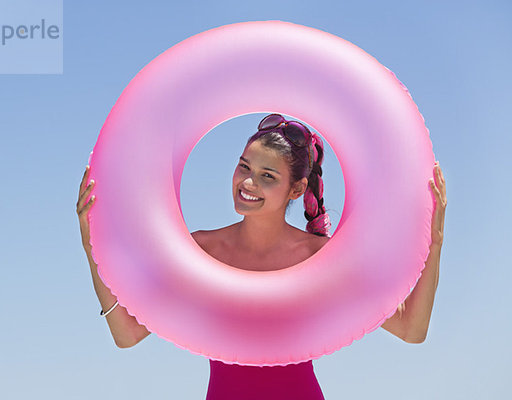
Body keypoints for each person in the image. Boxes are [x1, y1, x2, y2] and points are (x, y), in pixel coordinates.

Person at [76, 114, 447, 399]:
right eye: (244, 167)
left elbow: (411, 329)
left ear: (296, 188)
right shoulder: (200, 251)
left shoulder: (322, 256)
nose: (247, 183)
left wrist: (434, 243)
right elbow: (127, 334)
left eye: (267, 176)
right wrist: (92, 244)